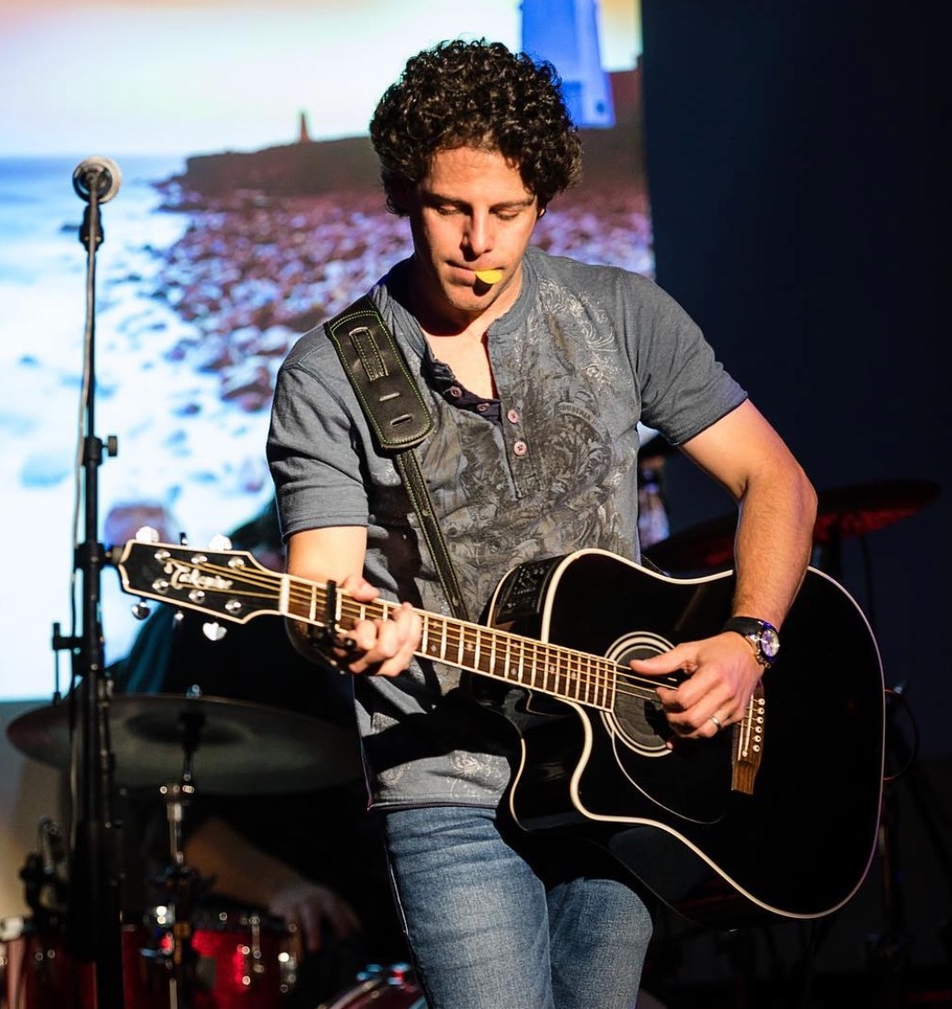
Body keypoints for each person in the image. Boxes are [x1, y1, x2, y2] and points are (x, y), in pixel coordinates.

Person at [266, 38, 817, 1009]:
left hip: (620, 765)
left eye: (507, 212)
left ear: (543, 202)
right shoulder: (329, 372)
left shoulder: (622, 314)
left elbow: (777, 482)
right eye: (449, 207)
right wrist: (346, 628)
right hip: (444, 775)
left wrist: (748, 641)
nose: (477, 241)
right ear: (402, 193)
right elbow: (322, 586)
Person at [110, 501, 409, 1009]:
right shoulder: (209, 611)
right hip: (254, 934)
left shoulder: (370, 621)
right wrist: (281, 887)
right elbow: (160, 805)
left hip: (371, 905)